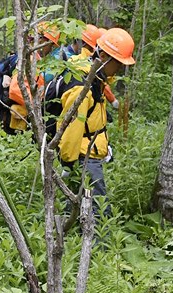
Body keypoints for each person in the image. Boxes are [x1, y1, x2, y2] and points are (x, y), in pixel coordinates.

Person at [57, 28, 135, 217]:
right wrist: (67, 163)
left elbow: (93, 122)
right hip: (84, 157)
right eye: (117, 63)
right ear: (102, 56)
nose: (119, 68)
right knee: (99, 209)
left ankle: (69, 236)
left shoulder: (97, 79)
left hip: (90, 153)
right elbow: (72, 127)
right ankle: (101, 246)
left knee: (74, 205)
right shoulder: (83, 87)